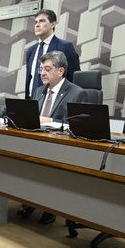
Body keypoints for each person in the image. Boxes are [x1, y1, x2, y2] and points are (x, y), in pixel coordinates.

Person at [19, 51, 87, 225]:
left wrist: (49, 120)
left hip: (61, 148)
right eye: (41, 69)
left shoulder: (77, 93)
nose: (42, 73)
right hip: (37, 142)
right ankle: (30, 200)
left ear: (61, 71)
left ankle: (50, 207)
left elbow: (78, 125)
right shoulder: (38, 91)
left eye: (47, 69)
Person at [24, 10, 80, 98]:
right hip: (32, 100)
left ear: (52, 24)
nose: (37, 25)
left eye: (42, 21)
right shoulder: (31, 51)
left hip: (55, 100)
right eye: (36, 22)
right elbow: (30, 79)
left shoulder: (65, 47)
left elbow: (74, 77)